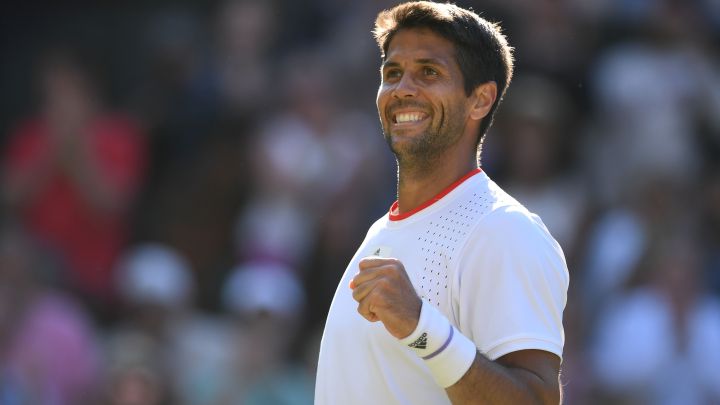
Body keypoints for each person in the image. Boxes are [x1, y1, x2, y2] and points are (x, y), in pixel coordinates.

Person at [315, 2, 569, 404]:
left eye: (428, 72)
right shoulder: (380, 230)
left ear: (480, 100)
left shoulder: (504, 230)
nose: (403, 89)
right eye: (392, 73)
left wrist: (421, 329)